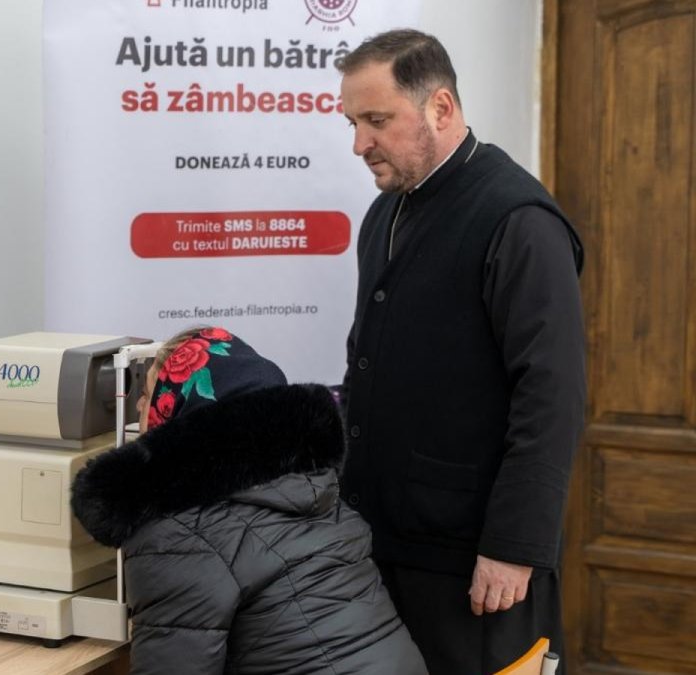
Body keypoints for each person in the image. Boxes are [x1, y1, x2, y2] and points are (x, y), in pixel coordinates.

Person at [336, 29, 586, 672]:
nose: (360, 142)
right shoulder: (383, 214)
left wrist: (513, 546)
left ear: (440, 108)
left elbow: (551, 396)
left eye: (376, 120)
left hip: (482, 564)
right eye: (354, 122)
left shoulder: (519, 220)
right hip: (390, 551)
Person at [71, 327, 427, 674]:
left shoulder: (174, 530)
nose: (138, 405)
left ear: (177, 408)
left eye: (148, 393)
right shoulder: (316, 489)